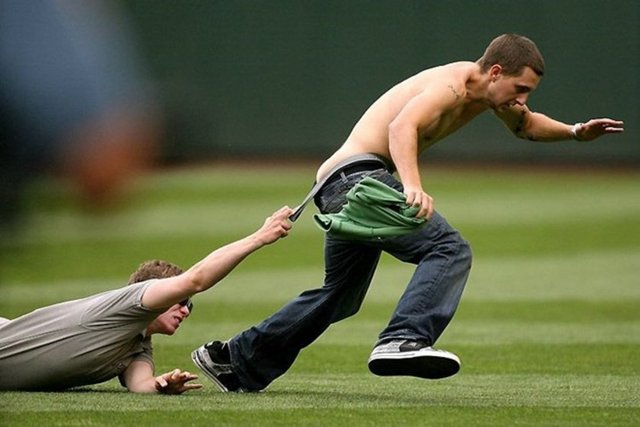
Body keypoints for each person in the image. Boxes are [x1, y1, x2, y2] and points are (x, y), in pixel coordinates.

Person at [191, 33, 625, 393]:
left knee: (339, 295)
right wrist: (412, 185)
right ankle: (403, 338)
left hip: (338, 184)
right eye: (520, 89)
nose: (522, 99)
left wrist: (574, 132)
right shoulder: (451, 85)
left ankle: (234, 360)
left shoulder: (490, 97)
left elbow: (526, 126)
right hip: (358, 180)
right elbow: (402, 127)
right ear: (495, 72)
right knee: (449, 249)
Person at [0, 206, 293, 392]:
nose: (185, 311)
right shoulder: (131, 302)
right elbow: (196, 279)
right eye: (181, 301)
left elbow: (141, 385)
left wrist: (164, 385)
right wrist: (259, 237)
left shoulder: (138, 346)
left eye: (188, 304)